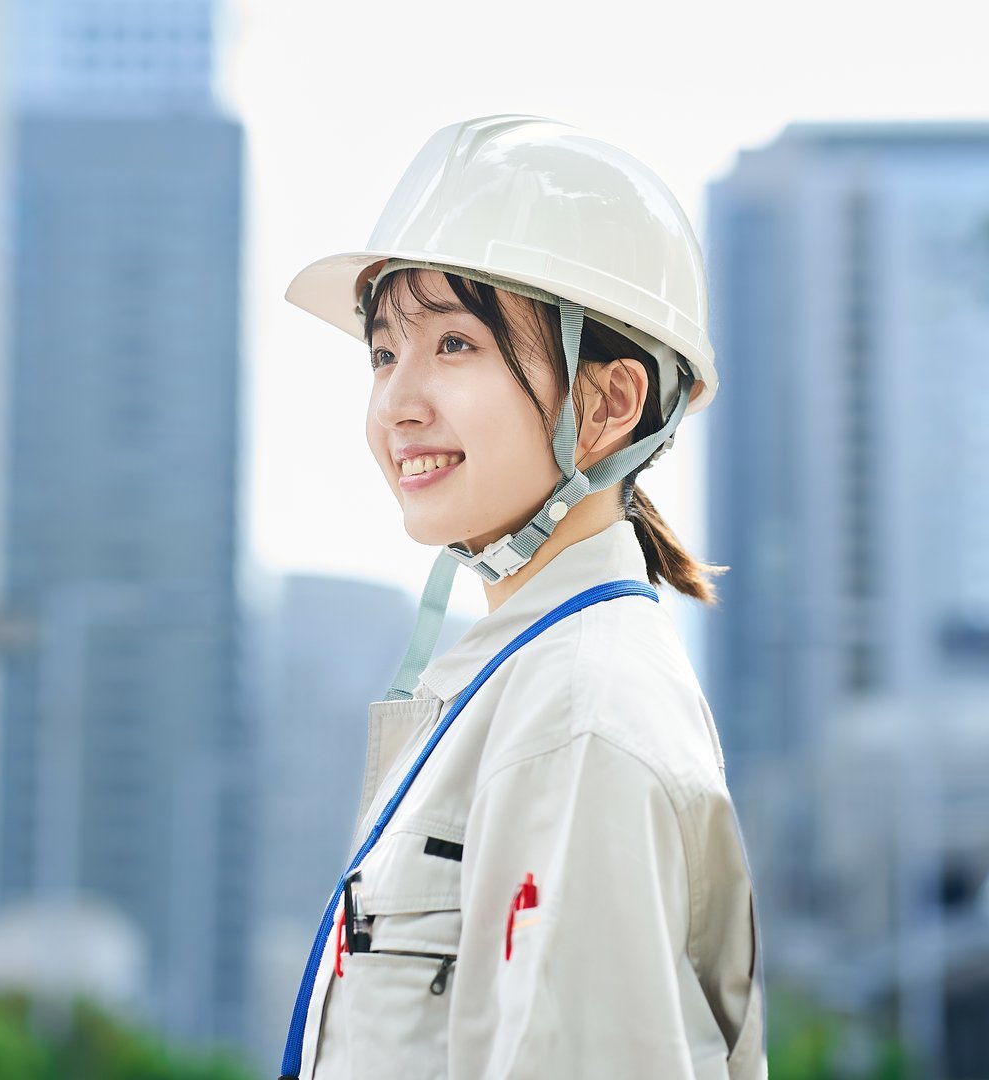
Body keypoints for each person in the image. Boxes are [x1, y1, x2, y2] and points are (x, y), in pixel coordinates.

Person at [277, 114, 767, 1080]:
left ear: (609, 406)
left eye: (454, 344)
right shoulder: (527, 683)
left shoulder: (577, 713)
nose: (398, 403)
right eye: (384, 353)